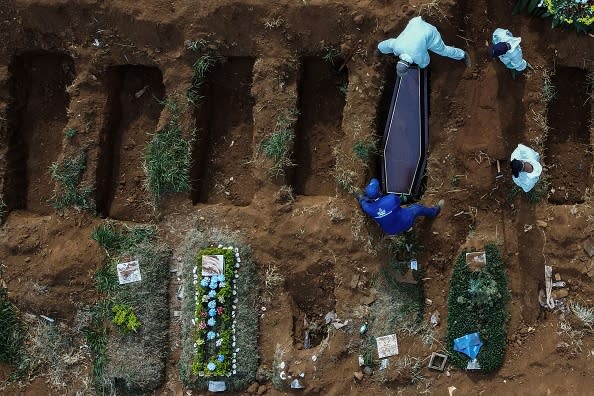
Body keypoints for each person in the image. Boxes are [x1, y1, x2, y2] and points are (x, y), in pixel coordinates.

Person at [377, 16, 471, 77]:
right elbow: (388, 43)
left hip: (430, 32)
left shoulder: (417, 56)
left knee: (444, 51)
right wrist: (379, 49)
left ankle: (463, 55)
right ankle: (424, 21)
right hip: (416, 22)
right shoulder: (397, 46)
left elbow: (425, 62)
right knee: (414, 38)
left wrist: (421, 66)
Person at [358, 178, 444, 235]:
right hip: (405, 221)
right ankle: (435, 211)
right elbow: (401, 201)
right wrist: (403, 198)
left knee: (391, 215)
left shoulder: (368, 208)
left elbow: (362, 201)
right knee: (417, 208)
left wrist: (361, 197)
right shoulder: (391, 198)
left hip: (391, 231)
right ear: (380, 191)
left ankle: (406, 229)